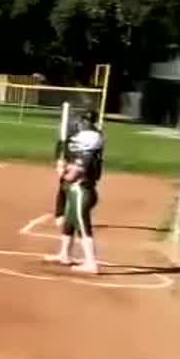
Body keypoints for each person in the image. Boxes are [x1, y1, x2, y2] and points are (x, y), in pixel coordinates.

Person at [49, 109, 105, 273]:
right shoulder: (86, 147)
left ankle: (91, 263)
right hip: (78, 189)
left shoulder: (87, 150)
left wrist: (64, 173)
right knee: (70, 222)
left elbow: (76, 172)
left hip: (82, 189)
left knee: (82, 224)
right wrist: (63, 165)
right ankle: (64, 254)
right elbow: (71, 161)